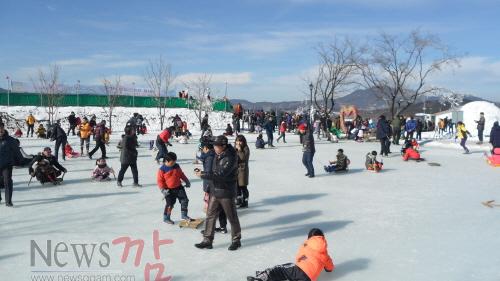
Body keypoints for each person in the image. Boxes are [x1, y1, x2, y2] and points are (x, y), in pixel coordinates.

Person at [195, 135, 242, 251]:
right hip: (215, 191)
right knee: (210, 215)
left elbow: (221, 174)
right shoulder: (218, 154)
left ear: (224, 146)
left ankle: (236, 240)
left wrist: (203, 175)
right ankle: (207, 240)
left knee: (232, 217)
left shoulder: (230, 157)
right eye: (214, 146)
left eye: (217, 146)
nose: (214, 148)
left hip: (226, 192)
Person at [247, 228, 334, 281]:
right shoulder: (325, 255)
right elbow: (330, 268)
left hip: (298, 270)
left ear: (310, 237)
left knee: (280, 270)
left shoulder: (306, 243)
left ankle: (264, 276)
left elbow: (299, 258)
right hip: (308, 279)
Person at [198, 141, 228, 233]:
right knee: (220, 208)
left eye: (202, 149)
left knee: (212, 209)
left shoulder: (210, 158)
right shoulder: (215, 155)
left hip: (213, 186)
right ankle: (223, 228)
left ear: (206, 148)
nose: (202, 150)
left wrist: (201, 174)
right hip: (220, 185)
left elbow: (209, 173)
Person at [157, 152, 192, 224]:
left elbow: (181, 174)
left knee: (184, 200)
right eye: (172, 162)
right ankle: (166, 217)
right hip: (168, 190)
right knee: (170, 205)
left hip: (179, 187)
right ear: (166, 161)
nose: (174, 164)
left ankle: (184, 215)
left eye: (175, 162)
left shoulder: (176, 166)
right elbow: (160, 181)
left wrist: (186, 181)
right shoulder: (162, 169)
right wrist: (163, 190)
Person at [0, 122, 23, 207]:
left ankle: (8, 201)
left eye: (1, 128)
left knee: (7, 181)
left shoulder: (10, 140)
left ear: (3, 128)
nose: (0, 130)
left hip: (7, 164)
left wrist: (21, 161)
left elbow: (17, 152)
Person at [235, 135, 250, 208]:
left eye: (240, 141)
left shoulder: (246, 148)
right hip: (235, 171)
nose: (238, 143)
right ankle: (238, 200)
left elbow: (243, 158)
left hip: (242, 171)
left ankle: (245, 201)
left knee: (243, 187)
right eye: (237, 141)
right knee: (236, 186)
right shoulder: (235, 148)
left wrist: (240, 150)